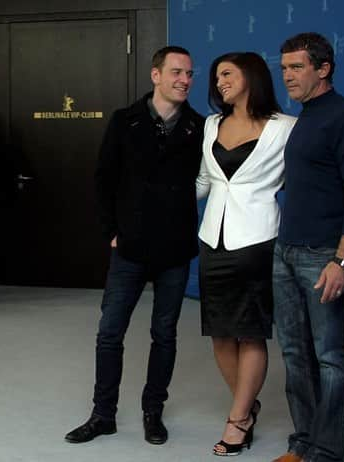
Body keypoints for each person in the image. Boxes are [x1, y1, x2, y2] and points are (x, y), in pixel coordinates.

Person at [64, 46, 204, 445]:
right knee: (110, 333)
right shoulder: (124, 121)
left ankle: (152, 412)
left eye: (190, 73)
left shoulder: (199, 125)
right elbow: (103, 179)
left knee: (165, 334)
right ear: (155, 75)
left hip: (175, 249)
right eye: (176, 71)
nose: (185, 79)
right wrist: (112, 229)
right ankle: (102, 414)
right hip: (128, 247)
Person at [272, 33, 344, 462]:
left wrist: (342, 259)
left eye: (296, 67)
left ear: (323, 68)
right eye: (284, 69)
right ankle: (304, 443)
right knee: (296, 354)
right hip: (287, 251)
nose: (288, 76)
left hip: (324, 256)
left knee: (332, 357)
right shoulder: (305, 117)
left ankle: (328, 453)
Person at [195, 52, 297, 457]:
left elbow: (299, 182)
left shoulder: (285, 128)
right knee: (219, 331)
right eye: (216, 75)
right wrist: (158, 206)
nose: (219, 82)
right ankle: (246, 405)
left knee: (251, 330)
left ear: (251, 76)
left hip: (257, 240)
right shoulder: (211, 124)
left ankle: (237, 420)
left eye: (227, 74)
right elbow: (204, 179)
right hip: (212, 239)